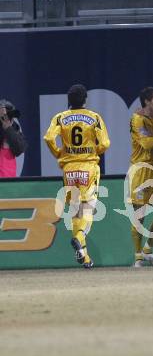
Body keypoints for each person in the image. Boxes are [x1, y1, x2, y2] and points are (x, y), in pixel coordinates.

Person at [44, 84, 110, 269]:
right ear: (85, 99)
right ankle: (79, 238)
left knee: (75, 211)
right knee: (87, 209)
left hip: (69, 169)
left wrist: (58, 153)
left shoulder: (60, 118)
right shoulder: (94, 117)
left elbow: (48, 138)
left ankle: (85, 257)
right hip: (88, 167)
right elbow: (105, 143)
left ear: (69, 100)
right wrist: (93, 150)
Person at [128, 87, 153, 267]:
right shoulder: (137, 119)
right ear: (147, 101)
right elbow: (146, 143)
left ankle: (147, 251)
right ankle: (137, 256)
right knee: (139, 216)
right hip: (141, 171)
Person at [0, 100, 26, 177]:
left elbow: (19, 149)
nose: (8, 120)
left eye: (10, 117)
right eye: (4, 116)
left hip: (10, 182)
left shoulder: (13, 129)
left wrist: (8, 128)